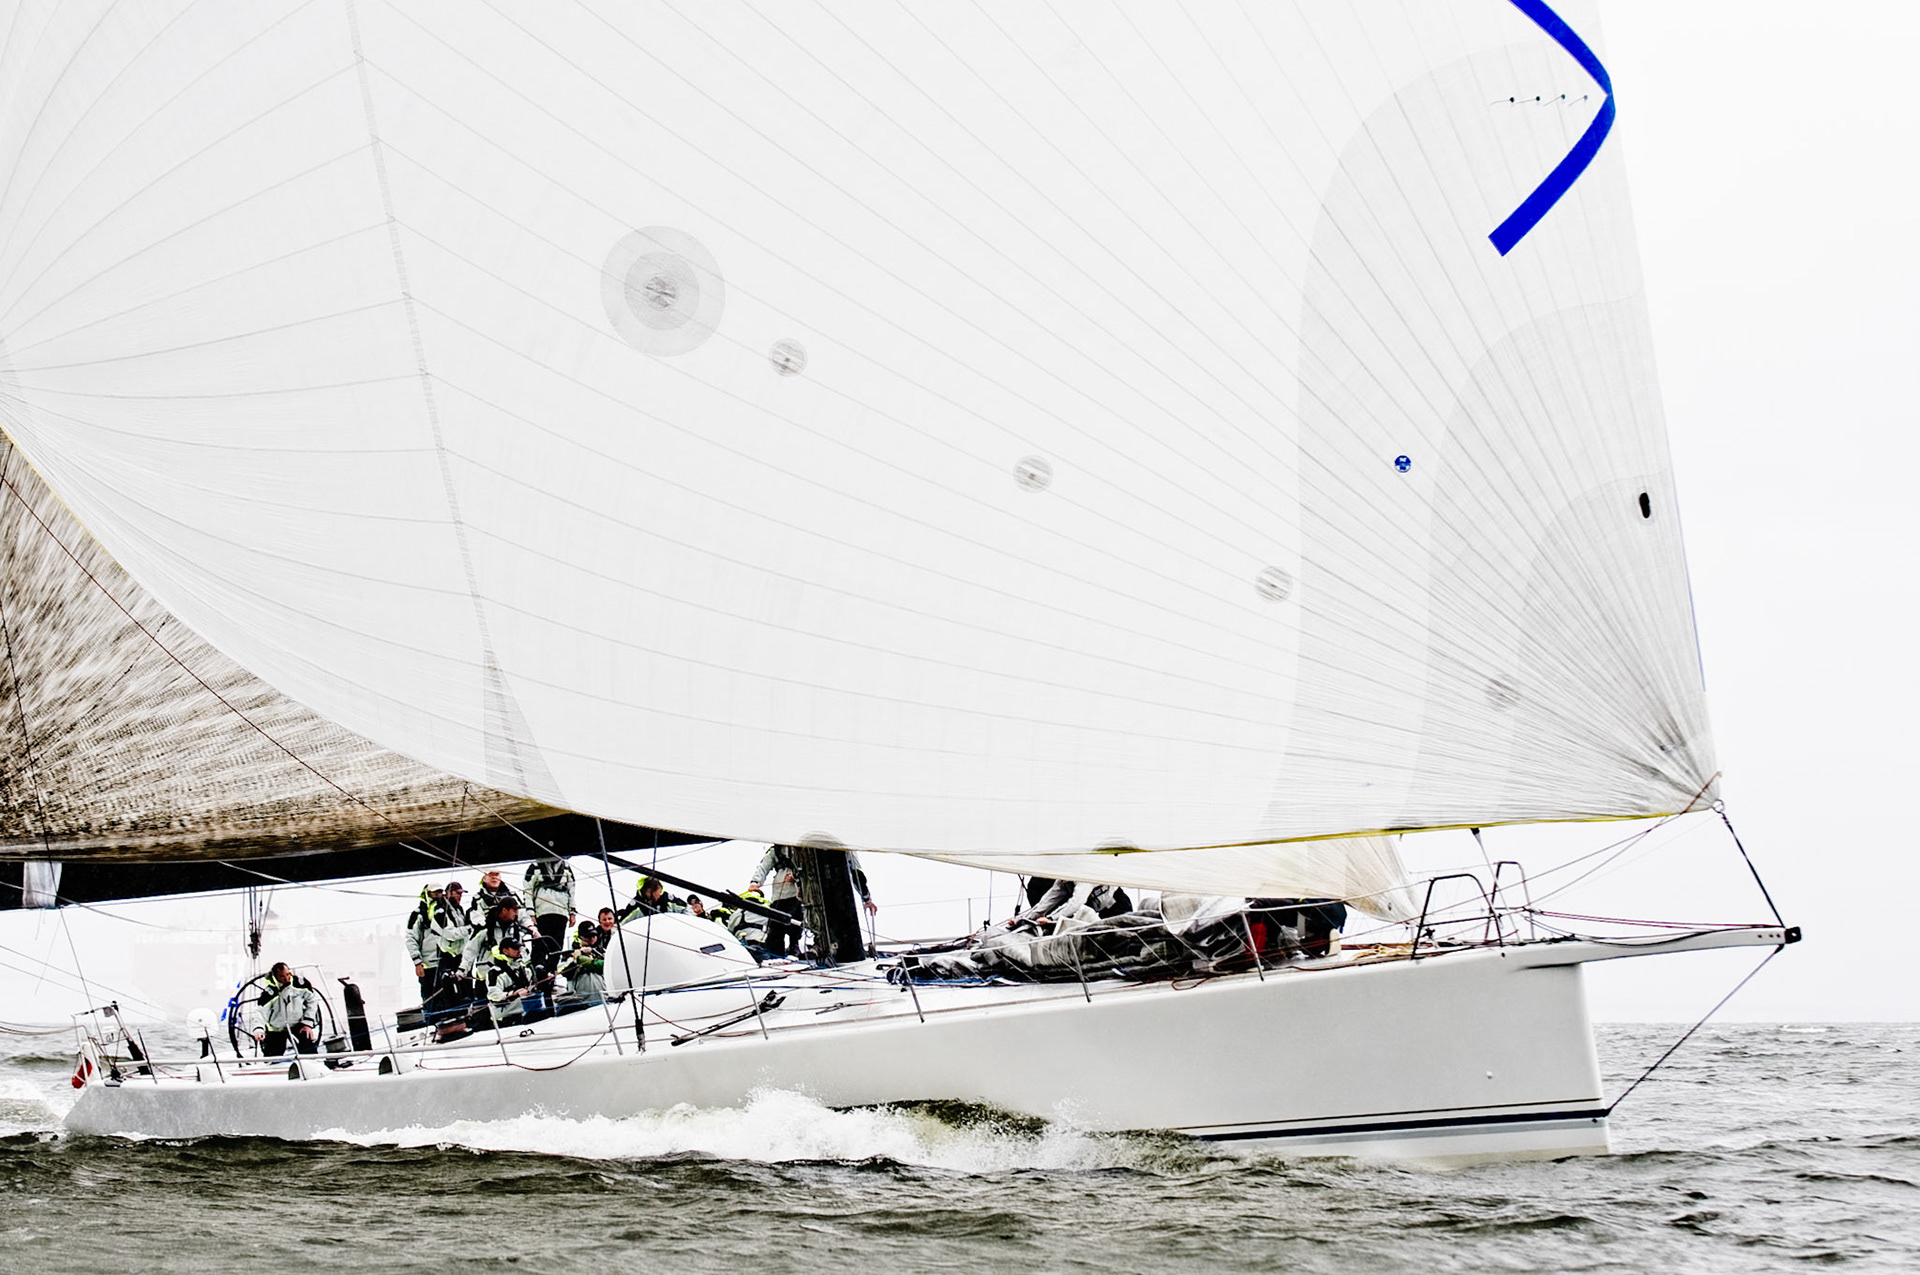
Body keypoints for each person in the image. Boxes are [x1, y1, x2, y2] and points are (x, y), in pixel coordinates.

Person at [523, 855, 576, 986]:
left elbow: (572, 890)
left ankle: (551, 970)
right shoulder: (535, 866)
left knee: (557, 944)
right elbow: (528, 889)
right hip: (542, 910)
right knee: (541, 942)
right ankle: (539, 967)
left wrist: (572, 911)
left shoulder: (567, 868)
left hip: (561, 911)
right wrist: (530, 912)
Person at [424, 881, 471, 1017]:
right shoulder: (439, 912)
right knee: (452, 990)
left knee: (466, 989)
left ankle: (467, 1015)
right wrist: (469, 929)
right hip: (448, 956)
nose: (460, 896)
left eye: (461, 894)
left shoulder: (459, 909)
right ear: (448, 893)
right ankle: (455, 1016)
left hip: (462, 955)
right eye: (457, 893)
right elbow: (451, 934)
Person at [748, 845, 805, 957]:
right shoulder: (776, 850)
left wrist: (795, 875)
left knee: (795, 924)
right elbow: (764, 865)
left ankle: (792, 947)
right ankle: (777, 954)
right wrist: (755, 882)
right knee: (777, 927)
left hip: (802, 893)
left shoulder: (803, 849)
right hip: (783, 894)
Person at [256, 962, 321, 1057]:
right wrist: (258, 1029)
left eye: (288, 974)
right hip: (276, 1029)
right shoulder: (269, 993)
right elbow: (260, 1012)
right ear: (275, 977)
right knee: (272, 1058)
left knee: (309, 1050)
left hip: (298, 1026)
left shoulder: (301, 984)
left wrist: (308, 1023)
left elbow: (312, 1001)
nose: (286, 979)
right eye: (282, 976)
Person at [462, 898, 533, 984]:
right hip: (485, 978)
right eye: (514, 909)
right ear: (504, 910)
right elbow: (470, 951)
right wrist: (462, 970)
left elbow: (522, 951)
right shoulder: (485, 928)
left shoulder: (515, 930)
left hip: (508, 980)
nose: (517, 912)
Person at [483, 934, 536, 1029]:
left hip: (524, 1008)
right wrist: (514, 994)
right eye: (515, 949)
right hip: (505, 1014)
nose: (518, 951)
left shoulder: (522, 967)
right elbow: (494, 995)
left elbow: (532, 984)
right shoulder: (494, 972)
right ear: (505, 951)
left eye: (519, 948)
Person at [403, 883, 443, 1002]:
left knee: (448, 997)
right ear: (427, 893)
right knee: (430, 999)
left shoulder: (448, 910)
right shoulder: (418, 914)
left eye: (440, 892)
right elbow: (411, 938)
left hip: (446, 963)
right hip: (428, 965)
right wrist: (417, 962)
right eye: (435, 892)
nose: (438, 895)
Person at [559, 921, 606, 1004]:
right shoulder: (570, 954)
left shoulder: (602, 951)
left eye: (594, 935)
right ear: (580, 937)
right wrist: (577, 958)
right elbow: (564, 972)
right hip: (583, 1002)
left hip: (605, 998)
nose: (592, 939)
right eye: (587, 936)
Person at [728, 887, 773, 961]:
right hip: (761, 945)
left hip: (742, 947)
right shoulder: (766, 911)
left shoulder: (735, 914)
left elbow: (730, 930)